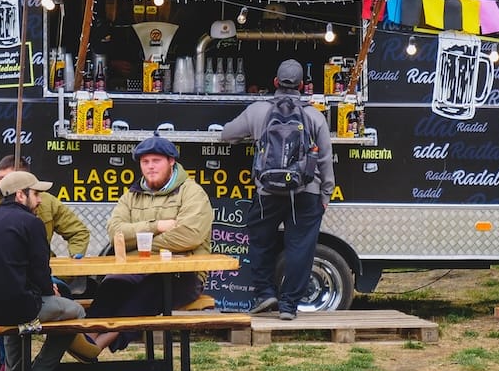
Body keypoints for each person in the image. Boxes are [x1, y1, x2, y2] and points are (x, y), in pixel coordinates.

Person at [220, 59, 335, 321]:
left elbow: (227, 134)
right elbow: (326, 159)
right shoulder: (315, 116)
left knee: (260, 242)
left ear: (274, 83)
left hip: (267, 192)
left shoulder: (258, 111)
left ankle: (264, 293)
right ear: (304, 86)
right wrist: (326, 193)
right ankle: (288, 306)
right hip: (306, 192)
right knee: (300, 248)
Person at [0, 171, 99, 371]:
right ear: (20, 195)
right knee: (76, 311)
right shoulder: (31, 222)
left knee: (14, 314)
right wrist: (48, 289)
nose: (39, 200)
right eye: (35, 194)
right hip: (18, 307)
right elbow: (40, 270)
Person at [83, 134, 213, 355]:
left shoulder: (192, 192)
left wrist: (140, 244)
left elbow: (189, 236)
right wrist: (157, 226)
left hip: (184, 275)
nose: (150, 167)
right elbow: (115, 232)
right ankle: (85, 336)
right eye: (145, 162)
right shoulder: (131, 196)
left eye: (156, 161)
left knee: (151, 290)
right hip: (136, 269)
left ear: (172, 161)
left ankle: (99, 343)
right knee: (112, 284)